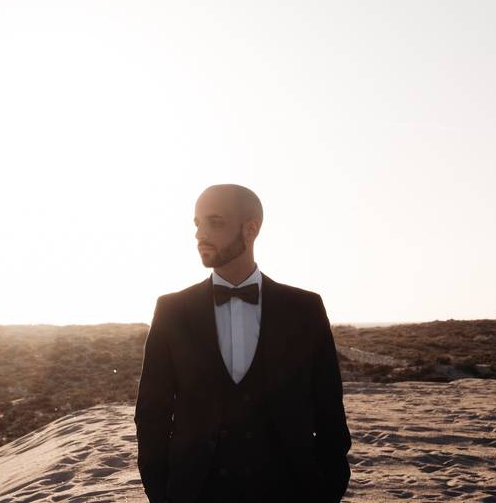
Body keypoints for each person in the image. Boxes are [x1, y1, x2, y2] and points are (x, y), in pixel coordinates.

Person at [134, 185, 351, 502]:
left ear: (251, 229)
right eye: (197, 223)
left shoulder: (304, 309)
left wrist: (327, 489)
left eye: (215, 222)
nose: (200, 234)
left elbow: (329, 410)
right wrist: (162, 494)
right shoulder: (172, 310)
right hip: (195, 493)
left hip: (290, 490)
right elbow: (152, 414)